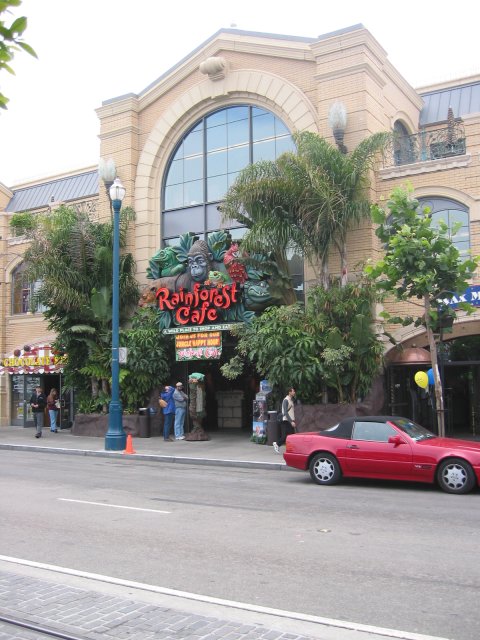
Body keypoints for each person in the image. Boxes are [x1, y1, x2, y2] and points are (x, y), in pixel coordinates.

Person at [273, 387, 296, 453]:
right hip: (285, 421)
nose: (294, 392)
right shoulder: (286, 400)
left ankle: (290, 449)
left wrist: (293, 420)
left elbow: (290, 412)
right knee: (286, 436)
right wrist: (291, 421)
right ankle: (277, 444)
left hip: (289, 420)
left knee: (291, 435)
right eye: (293, 391)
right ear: (289, 392)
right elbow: (285, 412)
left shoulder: (290, 400)